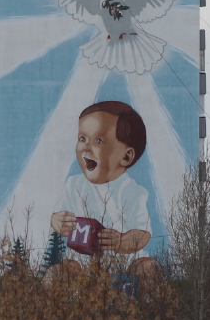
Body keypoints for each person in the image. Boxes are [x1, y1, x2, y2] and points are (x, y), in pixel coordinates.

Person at [48, 100, 158, 278]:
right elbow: (57, 216)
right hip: (81, 265)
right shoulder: (73, 185)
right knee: (58, 272)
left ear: (126, 156)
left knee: (148, 268)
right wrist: (58, 222)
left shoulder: (132, 191)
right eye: (82, 138)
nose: (86, 147)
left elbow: (143, 233)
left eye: (98, 141)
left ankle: (148, 304)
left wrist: (121, 242)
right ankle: (49, 305)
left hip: (124, 264)